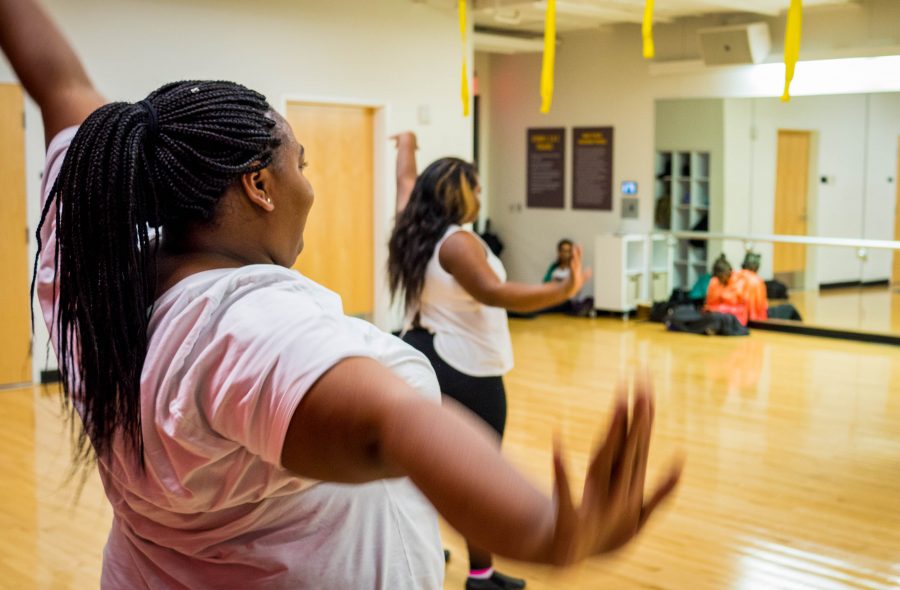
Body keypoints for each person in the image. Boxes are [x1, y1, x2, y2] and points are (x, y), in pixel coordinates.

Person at [3, 1, 681, 587]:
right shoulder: (241, 323)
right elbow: (394, 423)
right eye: (299, 162)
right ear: (258, 187)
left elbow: (59, 82)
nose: (310, 183)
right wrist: (544, 529)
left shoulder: (94, 259)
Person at [388, 133, 610, 589]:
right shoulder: (458, 243)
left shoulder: (414, 226)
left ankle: (423, 544)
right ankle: (480, 575)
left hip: (425, 352)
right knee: (478, 471)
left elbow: (405, 180)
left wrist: (407, 145)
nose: (481, 196)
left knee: (426, 463)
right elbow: (495, 292)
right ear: (458, 194)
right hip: (466, 367)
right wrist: (562, 291)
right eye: (477, 187)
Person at [705, 254, 750, 326]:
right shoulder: (714, 281)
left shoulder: (740, 282)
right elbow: (710, 303)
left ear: (727, 273)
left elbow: (742, 307)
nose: (720, 279)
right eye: (718, 277)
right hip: (717, 315)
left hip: (736, 319)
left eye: (721, 277)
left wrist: (721, 308)